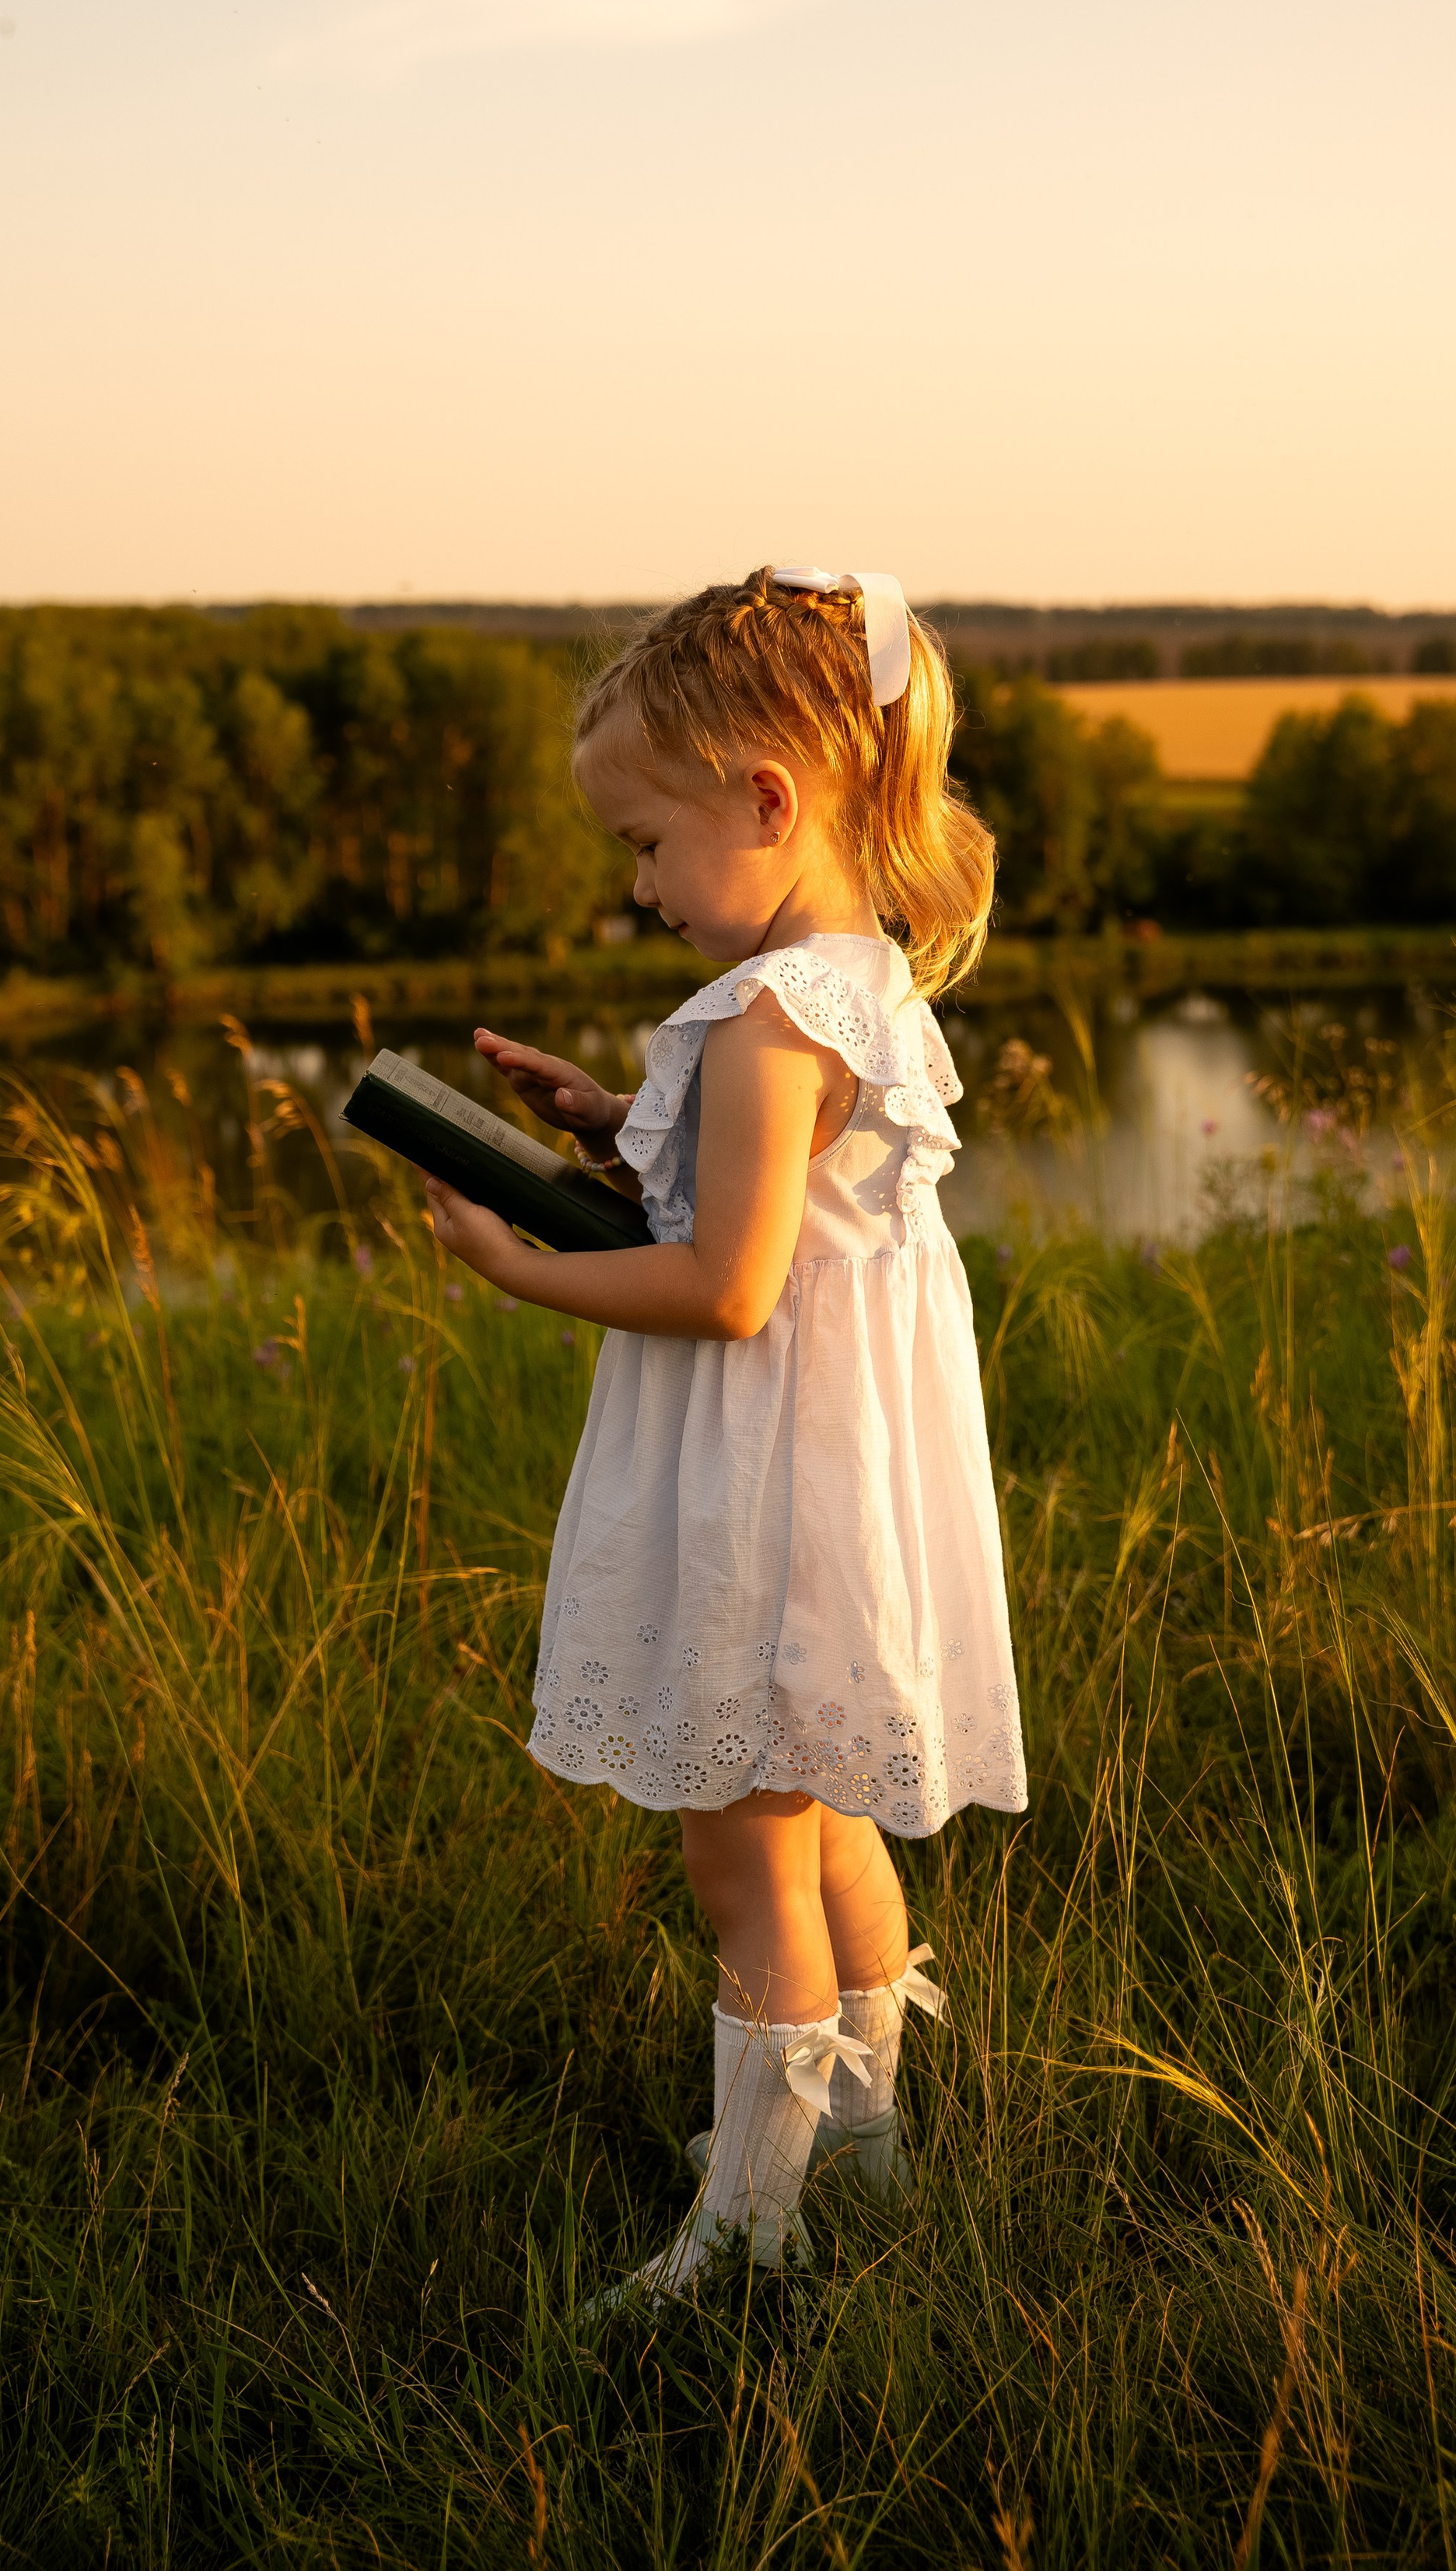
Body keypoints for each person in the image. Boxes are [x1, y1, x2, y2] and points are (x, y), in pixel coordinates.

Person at [420, 565, 1027, 2303]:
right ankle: (860, 2138)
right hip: (839, 1475)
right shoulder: (853, 981)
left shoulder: (763, 1018)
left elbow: (733, 1286)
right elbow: (787, 1194)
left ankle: (747, 2230)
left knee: (741, 1848)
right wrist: (624, 1121)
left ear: (766, 800)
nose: (639, 887)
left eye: (647, 844)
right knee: (821, 1813)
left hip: (767, 1479)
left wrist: (523, 1266)